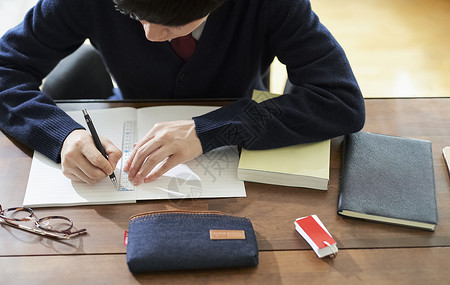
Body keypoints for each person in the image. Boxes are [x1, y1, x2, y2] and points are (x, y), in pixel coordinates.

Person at [0, 0, 365, 187]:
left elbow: (340, 100)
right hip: (124, 122)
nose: (149, 36)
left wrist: (211, 130)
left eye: (172, 24)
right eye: (135, 16)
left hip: (242, 143)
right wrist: (60, 135)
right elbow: (5, 67)